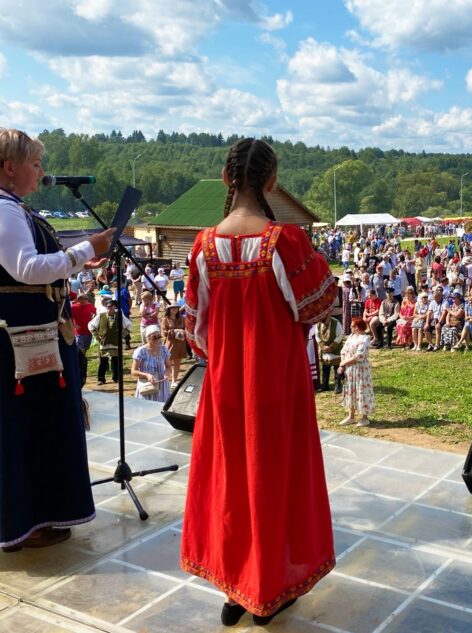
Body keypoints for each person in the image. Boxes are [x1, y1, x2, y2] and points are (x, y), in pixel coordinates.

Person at [179, 139, 336, 626]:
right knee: (273, 481)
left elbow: (196, 331)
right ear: (272, 182)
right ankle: (267, 590)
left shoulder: (204, 245)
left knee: (233, 483)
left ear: (227, 179)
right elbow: (319, 302)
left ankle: (236, 590)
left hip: (226, 385)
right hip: (277, 385)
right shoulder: (284, 242)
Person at [0, 128, 113, 552]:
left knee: (30, 429)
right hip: (22, 344)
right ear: (10, 167)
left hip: (29, 337)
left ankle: (30, 515)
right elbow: (27, 270)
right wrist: (85, 249)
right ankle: (24, 521)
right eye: (35, 164)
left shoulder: (12, 208)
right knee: (26, 429)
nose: (41, 171)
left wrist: (77, 260)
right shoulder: (5, 209)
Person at [339, 317, 375, 427]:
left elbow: (360, 356)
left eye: (353, 326)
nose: (351, 327)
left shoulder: (365, 338)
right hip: (349, 369)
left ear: (358, 327)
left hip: (360, 369)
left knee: (362, 391)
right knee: (350, 390)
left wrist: (344, 363)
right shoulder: (351, 337)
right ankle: (351, 416)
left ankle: (365, 417)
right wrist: (342, 364)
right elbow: (343, 351)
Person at [88, 297, 132, 384]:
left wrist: (121, 336)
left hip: (115, 343)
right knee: (103, 362)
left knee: (116, 361)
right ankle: (101, 379)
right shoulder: (101, 316)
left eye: (111, 306)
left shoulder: (119, 315)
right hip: (104, 342)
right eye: (108, 306)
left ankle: (116, 378)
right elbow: (91, 325)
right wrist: (97, 336)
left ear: (115, 307)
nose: (109, 308)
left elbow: (129, 325)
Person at [131, 324, 171, 401]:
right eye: (154, 337)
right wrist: (147, 375)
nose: (157, 339)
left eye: (159, 336)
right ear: (147, 338)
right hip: (147, 385)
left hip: (162, 385)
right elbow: (133, 371)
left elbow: (169, 366)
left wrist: (166, 373)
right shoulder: (140, 351)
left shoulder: (163, 349)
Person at [161, 303, 187, 387]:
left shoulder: (182, 318)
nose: (174, 309)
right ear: (169, 309)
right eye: (172, 308)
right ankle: (165, 380)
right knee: (168, 362)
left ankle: (174, 381)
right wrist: (175, 331)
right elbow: (163, 333)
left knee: (177, 363)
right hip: (170, 343)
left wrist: (183, 331)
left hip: (180, 343)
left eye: (176, 308)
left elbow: (186, 329)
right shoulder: (165, 319)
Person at [318, 313, 344, 393]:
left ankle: (337, 386)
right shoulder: (318, 324)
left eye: (324, 320)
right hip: (325, 350)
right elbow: (317, 336)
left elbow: (339, 336)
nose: (324, 322)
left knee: (337, 368)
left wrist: (331, 347)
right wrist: (322, 346)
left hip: (335, 350)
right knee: (325, 368)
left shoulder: (336, 323)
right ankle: (325, 385)